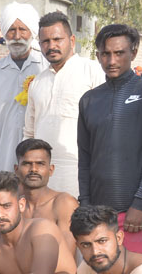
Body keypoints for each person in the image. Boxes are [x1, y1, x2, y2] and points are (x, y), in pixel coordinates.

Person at [77, 23, 142, 260]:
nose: (112, 60)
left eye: (119, 53)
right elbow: (85, 158)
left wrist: (140, 202)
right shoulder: (89, 100)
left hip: (136, 213)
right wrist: (86, 205)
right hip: (98, 213)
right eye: (105, 54)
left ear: (133, 53)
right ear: (98, 56)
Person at [23, 11, 103, 197]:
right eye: (45, 41)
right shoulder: (37, 82)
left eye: (57, 39)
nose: (51, 46)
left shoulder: (92, 71)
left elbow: (104, 128)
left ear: (72, 40)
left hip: (81, 173)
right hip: (43, 176)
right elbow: (29, 133)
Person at [0, 3, 45, 175]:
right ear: (4, 33)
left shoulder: (45, 68)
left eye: (22, 29)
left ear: (32, 32)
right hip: (4, 163)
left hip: (39, 167)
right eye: (11, 30)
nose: (17, 36)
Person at [16, 138, 78, 252]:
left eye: (40, 164)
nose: (33, 169)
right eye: (27, 164)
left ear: (51, 170)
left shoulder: (64, 203)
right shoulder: (11, 205)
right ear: (16, 169)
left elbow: (67, 254)